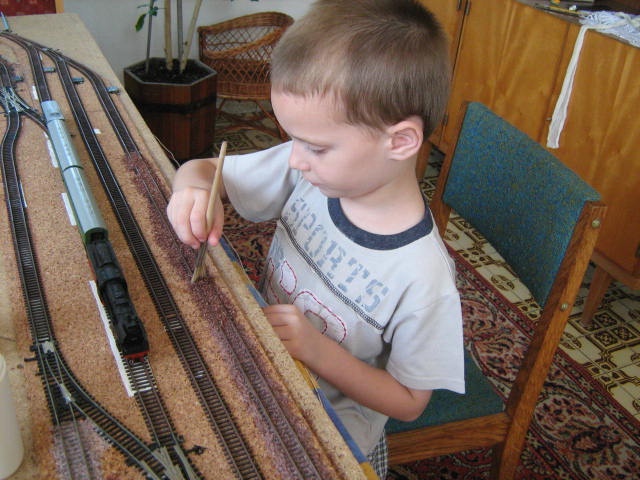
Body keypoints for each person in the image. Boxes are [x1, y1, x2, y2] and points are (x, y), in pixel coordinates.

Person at [167, 0, 464, 476]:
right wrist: (194, 192)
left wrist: (314, 350)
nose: (295, 159)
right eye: (293, 139)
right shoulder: (312, 171)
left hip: (334, 435)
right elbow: (200, 169)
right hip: (265, 370)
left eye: (316, 146)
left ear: (400, 141)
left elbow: (409, 402)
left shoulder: (424, 279)